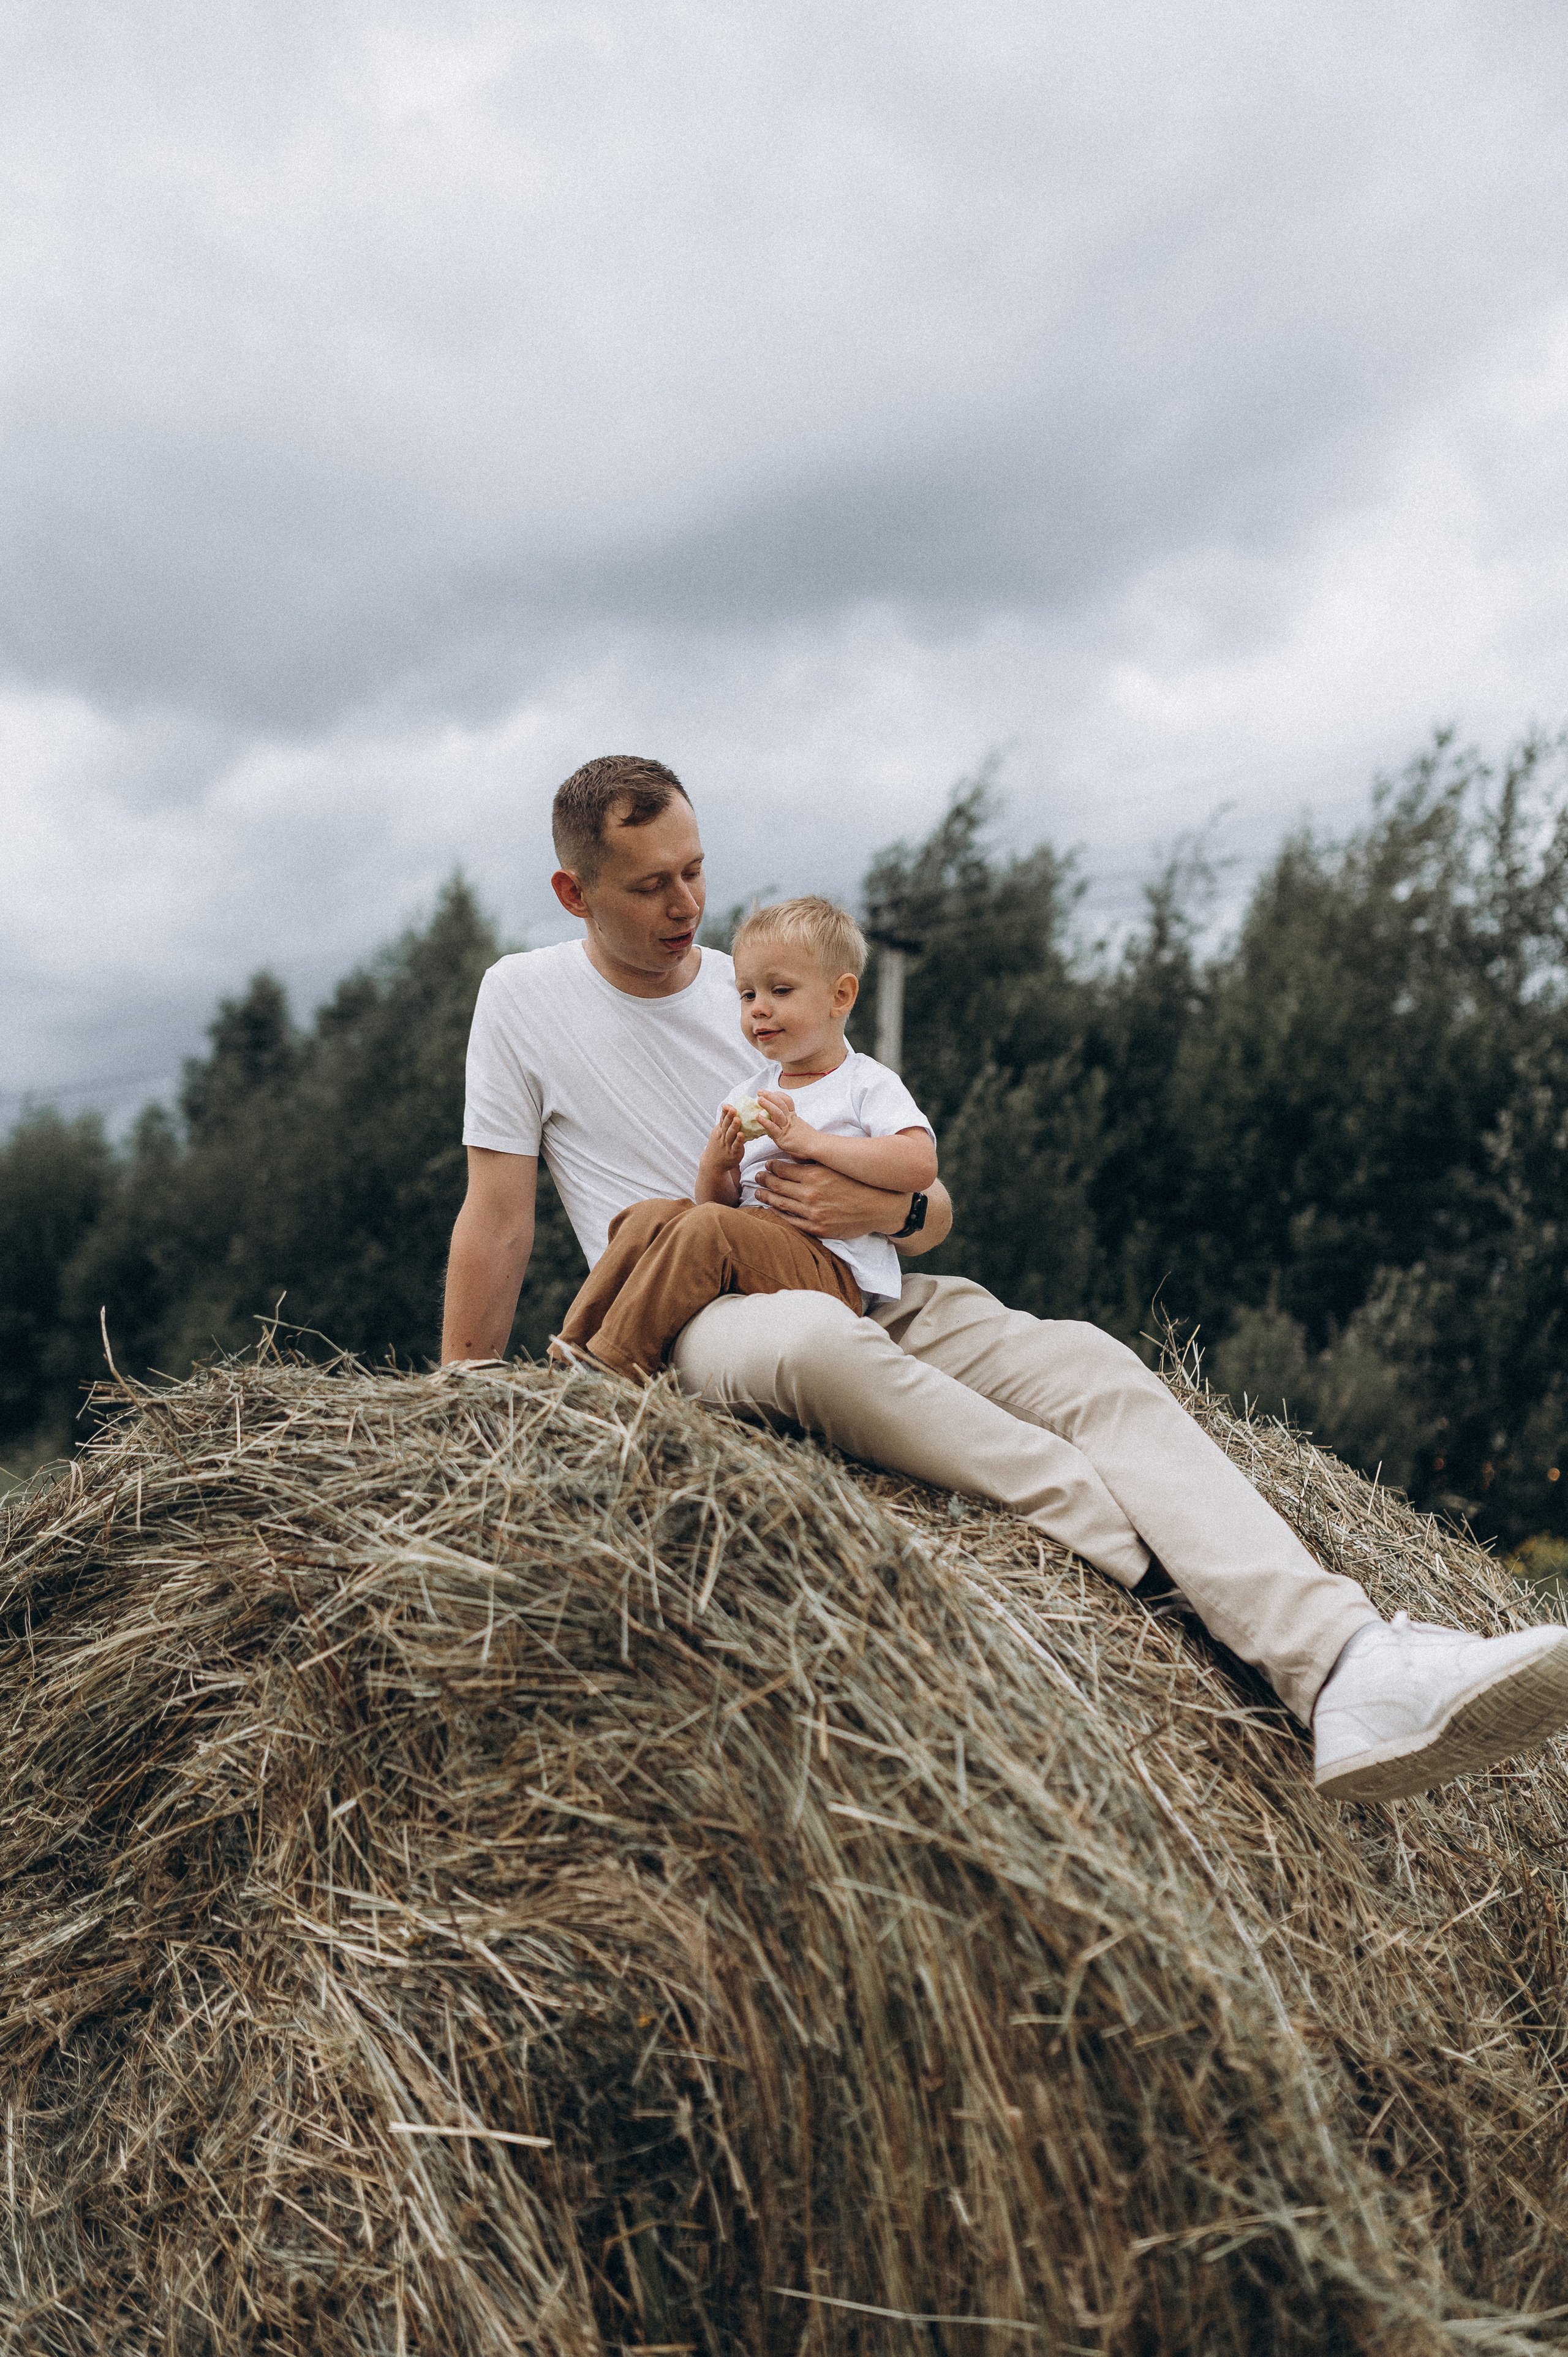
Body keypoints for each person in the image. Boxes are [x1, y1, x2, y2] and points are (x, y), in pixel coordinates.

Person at [443, 753, 1568, 1805]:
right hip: (705, 1315)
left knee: (1088, 1359)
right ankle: (1115, 1541)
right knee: (810, 1346)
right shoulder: (524, 1001)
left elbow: (930, 1199)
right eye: (650, 886)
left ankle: (1349, 1665)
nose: (686, 904)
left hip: (865, 1274)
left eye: (695, 870)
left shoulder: (768, 983)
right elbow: (497, 1221)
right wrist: (456, 1413)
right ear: (572, 891)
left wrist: (889, 1208)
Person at [549, 895, 938, 1380]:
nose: (759, 1010)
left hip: (832, 1267)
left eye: (780, 990)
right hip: (756, 1242)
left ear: (840, 996)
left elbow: (919, 1162)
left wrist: (811, 1142)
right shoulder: (749, 1091)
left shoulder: (865, 1083)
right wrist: (717, 1166)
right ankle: (566, 1357)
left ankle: (612, 1370)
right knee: (648, 1216)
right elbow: (718, 1205)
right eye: (747, 994)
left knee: (708, 1231)